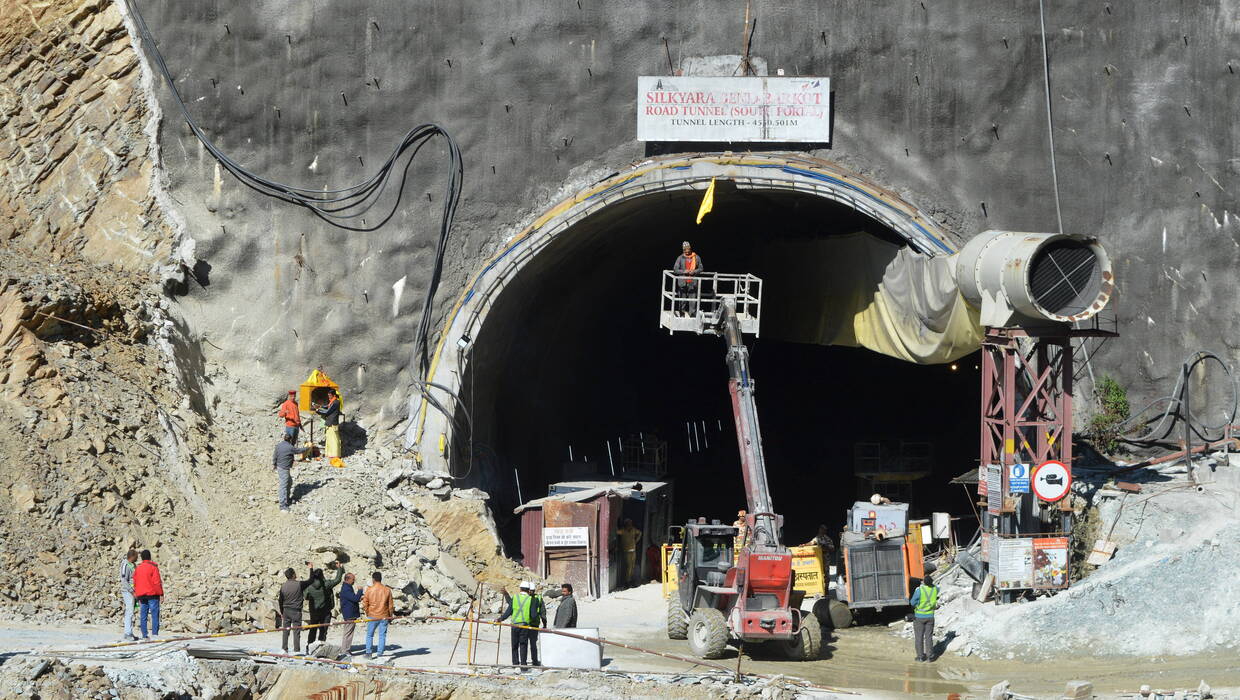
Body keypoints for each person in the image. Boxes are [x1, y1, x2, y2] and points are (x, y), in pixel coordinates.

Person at [498, 581, 546, 667]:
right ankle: (523, 665)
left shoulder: (515, 597)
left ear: (520, 589)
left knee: (515, 645)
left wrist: (500, 619)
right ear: (528, 590)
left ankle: (515, 664)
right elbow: (534, 615)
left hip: (515, 625)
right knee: (524, 645)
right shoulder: (531, 599)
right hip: (525, 626)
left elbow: (509, 610)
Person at [305, 562, 343, 645]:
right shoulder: (326, 584)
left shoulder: (309, 586)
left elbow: (305, 596)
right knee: (323, 631)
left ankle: (309, 646)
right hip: (325, 612)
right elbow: (337, 579)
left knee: (313, 629)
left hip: (314, 611)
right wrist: (339, 568)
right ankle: (320, 647)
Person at [278, 566, 312, 653]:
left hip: (286, 610)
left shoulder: (283, 586)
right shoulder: (299, 584)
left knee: (285, 631)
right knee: (296, 631)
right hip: (296, 611)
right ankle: (296, 650)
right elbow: (310, 580)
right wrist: (311, 569)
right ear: (293, 575)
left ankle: (284, 649)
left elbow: (280, 600)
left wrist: (282, 612)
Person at [362, 571, 394, 660]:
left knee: (369, 635)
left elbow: (365, 603)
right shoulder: (387, 590)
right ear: (381, 579)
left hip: (372, 615)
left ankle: (368, 653)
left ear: (373, 579)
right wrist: (390, 616)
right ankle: (380, 653)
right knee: (382, 635)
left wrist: (367, 612)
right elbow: (390, 605)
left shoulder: (369, 590)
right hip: (384, 615)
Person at [272, 433, 308, 511]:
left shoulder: (279, 445)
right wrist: (307, 448)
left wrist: (274, 464)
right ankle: (283, 505)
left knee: (289, 482)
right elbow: (298, 451)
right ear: (290, 440)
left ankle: (287, 499)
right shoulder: (290, 447)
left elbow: (275, 455)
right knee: (284, 486)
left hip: (280, 467)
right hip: (284, 468)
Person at [133, 550, 163, 640]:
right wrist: (161, 594)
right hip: (152, 594)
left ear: (141, 558)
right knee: (154, 615)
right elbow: (157, 582)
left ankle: (144, 635)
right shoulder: (153, 567)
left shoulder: (138, 568)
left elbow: (135, 581)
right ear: (150, 557)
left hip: (141, 595)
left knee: (143, 615)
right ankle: (154, 634)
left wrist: (136, 593)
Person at [909, 572, 939, 662]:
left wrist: (918, 604)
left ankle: (920, 656)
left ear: (924, 582)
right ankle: (930, 656)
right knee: (929, 637)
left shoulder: (919, 590)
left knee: (919, 637)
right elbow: (936, 588)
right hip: (930, 616)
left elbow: (912, 602)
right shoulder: (935, 589)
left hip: (919, 616)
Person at [673, 241, 705, 316]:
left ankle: (692, 313)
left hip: (692, 281)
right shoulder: (680, 258)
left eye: (688, 250)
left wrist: (694, 271)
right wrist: (684, 271)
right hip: (683, 281)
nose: (687, 252)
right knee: (682, 299)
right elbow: (675, 269)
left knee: (693, 299)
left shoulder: (696, 257)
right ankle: (682, 313)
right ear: (683, 250)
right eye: (685, 250)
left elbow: (701, 268)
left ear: (690, 249)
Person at [338, 572, 363, 655]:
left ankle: (347, 649)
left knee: (349, 632)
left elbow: (352, 599)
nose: (354, 581)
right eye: (353, 579)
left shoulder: (347, 587)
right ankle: (345, 650)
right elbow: (355, 598)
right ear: (348, 579)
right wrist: (360, 591)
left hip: (350, 613)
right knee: (348, 632)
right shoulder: (346, 588)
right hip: (349, 614)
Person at [316, 389, 342, 460]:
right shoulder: (332, 402)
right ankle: (330, 453)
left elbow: (328, 412)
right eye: (328, 395)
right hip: (330, 422)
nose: (329, 397)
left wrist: (318, 411)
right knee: (329, 438)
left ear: (334, 395)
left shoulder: (336, 402)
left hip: (332, 423)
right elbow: (327, 407)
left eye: (330, 395)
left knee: (334, 439)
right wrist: (319, 406)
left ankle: (335, 454)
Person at [118, 549, 138, 641]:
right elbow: (124, 580)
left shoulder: (133, 565)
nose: (137, 558)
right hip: (128, 591)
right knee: (129, 611)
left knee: (131, 611)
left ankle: (130, 632)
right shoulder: (125, 565)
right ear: (132, 556)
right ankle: (127, 633)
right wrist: (132, 591)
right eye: (136, 556)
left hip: (133, 591)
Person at [617, 519, 642, 587]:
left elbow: (640, 533)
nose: (629, 524)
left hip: (633, 550)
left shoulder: (633, 530)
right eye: (628, 523)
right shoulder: (622, 530)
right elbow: (616, 532)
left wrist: (636, 540)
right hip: (626, 550)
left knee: (632, 566)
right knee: (629, 566)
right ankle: (627, 581)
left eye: (630, 523)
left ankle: (629, 580)